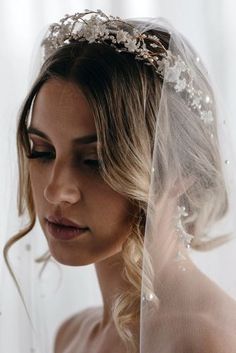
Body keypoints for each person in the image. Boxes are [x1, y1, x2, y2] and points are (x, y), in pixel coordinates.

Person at [2, 9, 236, 353]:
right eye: (42, 151)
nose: (56, 190)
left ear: (180, 171)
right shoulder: (72, 335)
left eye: (95, 161)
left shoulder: (205, 341)